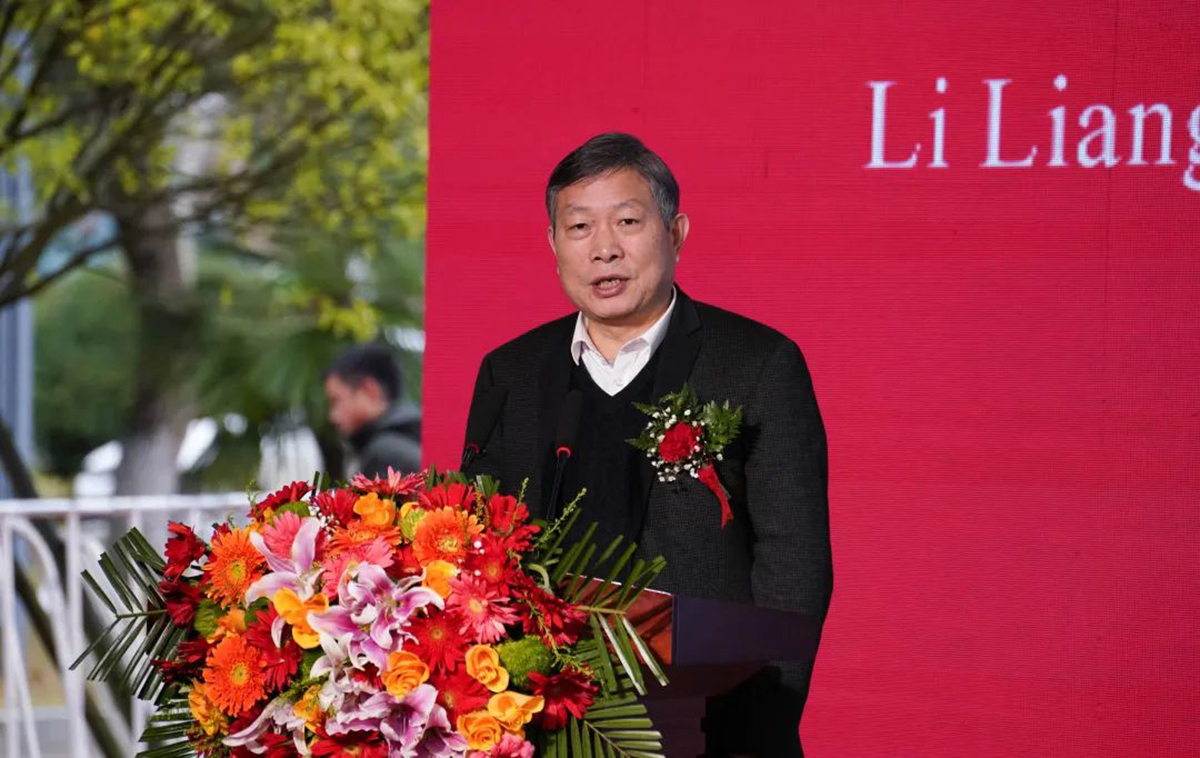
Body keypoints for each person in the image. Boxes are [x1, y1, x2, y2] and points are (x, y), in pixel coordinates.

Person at [461, 133, 833, 756]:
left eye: (627, 222)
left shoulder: (757, 363)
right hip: (538, 721)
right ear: (554, 244)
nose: (604, 248)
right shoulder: (511, 372)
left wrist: (761, 722)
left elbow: (794, 562)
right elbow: (480, 546)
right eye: (579, 227)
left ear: (675, 232)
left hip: (711, 723)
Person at [323, 343, 421, 479]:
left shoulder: (385, 453)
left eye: (336, 400)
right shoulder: (412, 440)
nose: (332, 416)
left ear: (369, 390)